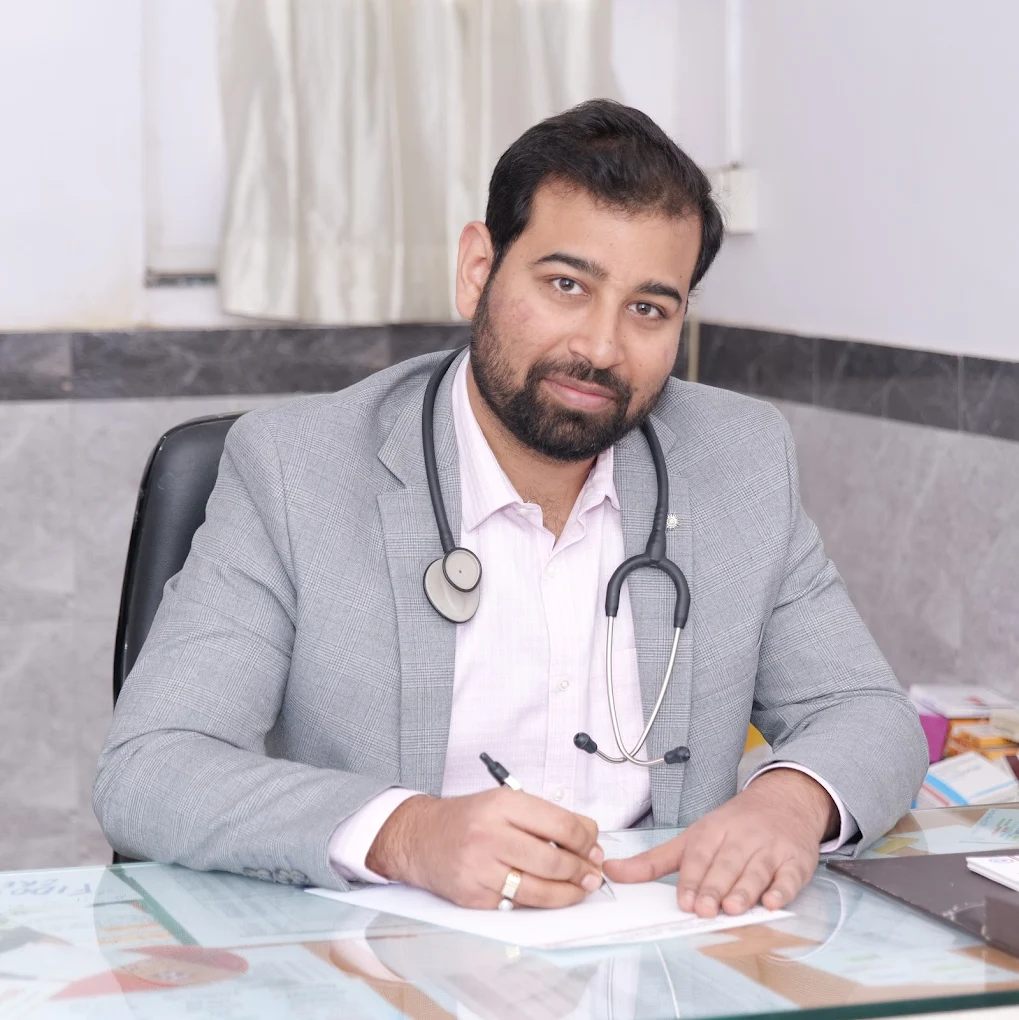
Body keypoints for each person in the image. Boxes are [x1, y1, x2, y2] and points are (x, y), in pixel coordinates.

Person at [94, 100, 928, 919]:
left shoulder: (736, 460)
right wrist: (407, 834)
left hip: (661, 950)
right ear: (477, 270)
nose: (600, 348)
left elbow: (865, 713)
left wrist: (788, 801)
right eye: (566, 285)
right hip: (388, 956)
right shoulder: (296, 469)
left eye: (647, 309)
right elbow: (151, 768)